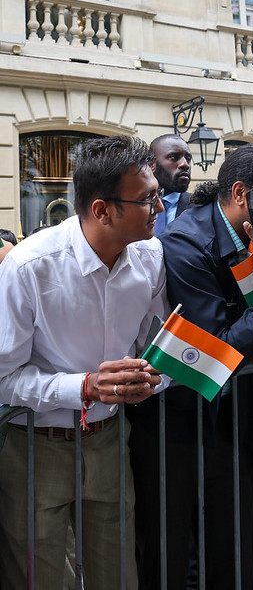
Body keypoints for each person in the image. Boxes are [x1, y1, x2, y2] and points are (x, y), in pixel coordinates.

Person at [130, 144, 253, 590]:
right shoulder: (186, 242)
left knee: (232, 551)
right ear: (241, 193)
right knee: (173, 554)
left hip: (230, 419)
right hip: (173, 419)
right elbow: (221, 349)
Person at [0, 136, 168, 590]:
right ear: (102, 210)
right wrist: (85, 387)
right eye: (148, 198)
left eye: (158, 193)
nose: (160, 206)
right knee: (41, 576)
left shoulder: (151, 258)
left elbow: (157, 348)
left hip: (110, 440)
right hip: (35, 445)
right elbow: (2, 379)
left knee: (117, 573)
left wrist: (151, 378)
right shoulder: (29, 266)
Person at [150, 133, 192, 234]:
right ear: (152, 165)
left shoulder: (202, 209)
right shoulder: (133, 207)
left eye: (188, 159)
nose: (185, 164)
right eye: (173, 157)